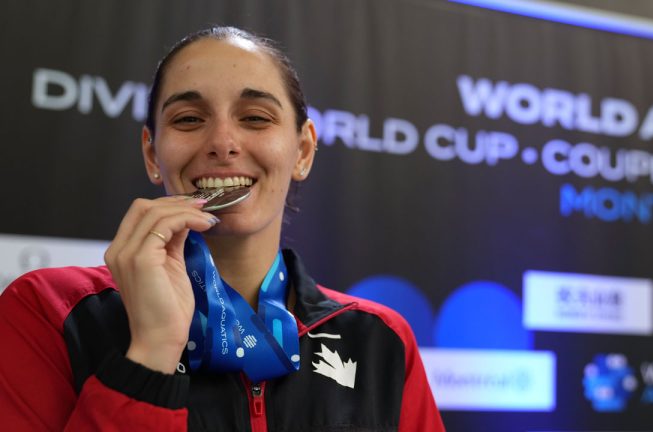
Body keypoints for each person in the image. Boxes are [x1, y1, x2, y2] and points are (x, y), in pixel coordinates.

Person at [0, 26, 444, 431]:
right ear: (153, 154)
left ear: (303, 151)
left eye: (255, 117)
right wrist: (151, 354)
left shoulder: (381, 340)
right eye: (189, 119)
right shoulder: (50, 312)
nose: (222, 144)